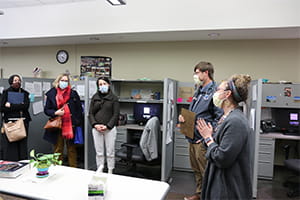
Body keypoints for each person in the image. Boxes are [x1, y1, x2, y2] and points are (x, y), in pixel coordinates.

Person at [196, 74, 253, 200]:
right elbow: (220, 145)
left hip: (228, 189)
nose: (214, 93)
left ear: (227, 94)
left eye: (218, 90)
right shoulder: (226, 117)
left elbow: (222, 158)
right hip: (221, 182)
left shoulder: (236, 122)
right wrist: (209, 137)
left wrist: (208, 138)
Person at [178, 61, 223, 200]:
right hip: (192, 137)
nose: (195, 75)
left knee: (206, 172)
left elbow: (220, 118)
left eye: (197, 72)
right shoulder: (199, 90)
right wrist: (183, 118)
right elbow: (194, 112)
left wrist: (207, 137)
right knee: (196, 170)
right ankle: (199, 195)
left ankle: (208, 197)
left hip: (202, 140)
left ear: (206, 73)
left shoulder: (215, 92)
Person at [44, 73, 83, 168]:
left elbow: (79, 109)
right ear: (58, 81)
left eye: (66, 81)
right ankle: (57, 169)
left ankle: (73, 169)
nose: (64, 82)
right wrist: (55, 112)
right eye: (62, 80)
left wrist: (77, 122)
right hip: (57, 125)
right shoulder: (51, 93)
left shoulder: (73, 93)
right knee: (58, 149)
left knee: (72, 149)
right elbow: (46, 110)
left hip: (70, 125)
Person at [88, 76, 120, 174]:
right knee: (99, 152)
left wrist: (107, 126)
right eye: (100, 84)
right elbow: (90, 114)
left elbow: (116, 114)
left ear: (108, 84)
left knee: (110, 152)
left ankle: (110, 170)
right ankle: (100, 170)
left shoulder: (114, 98)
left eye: (104, 84)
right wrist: (95, 125)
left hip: (109, 129)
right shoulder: (95, 97)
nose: (102, 86)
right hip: (96, 129)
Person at [0, 74, 31, 161]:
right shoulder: (5, 93)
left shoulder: (24, 93)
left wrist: (11, 105)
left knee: (22, 145)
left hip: (23, 121)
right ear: (11, 82)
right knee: (11, 145)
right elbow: (2, 108)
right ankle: (12, 163)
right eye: (15, 80)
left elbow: (25, 107)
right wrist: (19, 106)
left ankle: (23, 163)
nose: (17, 82)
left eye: (19, 80)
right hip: (9, 122)